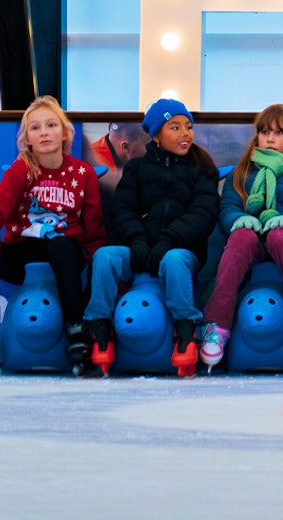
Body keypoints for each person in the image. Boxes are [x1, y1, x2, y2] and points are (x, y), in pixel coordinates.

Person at [0, 96, 107, 375]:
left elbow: (94, 234)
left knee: (60, 244)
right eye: (35, 128)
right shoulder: (21, 170)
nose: (44, 132)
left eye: (51, 125)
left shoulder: (82, 173)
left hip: (63, 254)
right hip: (21, 255)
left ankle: (75, 332)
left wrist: (93, 280)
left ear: (65, 132)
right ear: (27, 138)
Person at [82, 98, 219, 376]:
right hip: (139, 247)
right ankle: (99, 330)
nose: (185, 133)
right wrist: (137, 241)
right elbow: (123, 209)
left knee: (174, 260)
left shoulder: (200, 169)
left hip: (180, 249)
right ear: (156, 134)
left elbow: (203, 214)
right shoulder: (137, 168)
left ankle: (185, 331)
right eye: (175, 127)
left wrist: (169, 239)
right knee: (106, 256)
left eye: (188, 127)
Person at [197, 104, 283, 371]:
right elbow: (228, 207)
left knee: (280, 236)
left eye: (279, 132)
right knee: (241, 237)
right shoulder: (242, 172)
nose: (270, 138)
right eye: (265, 131)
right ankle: (217, 324)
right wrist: (238, 219)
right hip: (253, 241)